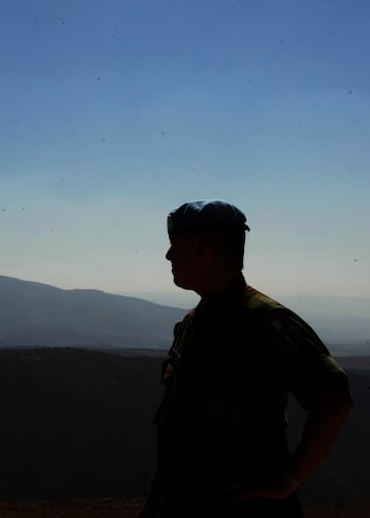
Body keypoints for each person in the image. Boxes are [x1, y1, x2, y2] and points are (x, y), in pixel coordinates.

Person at [138, 200, 353, 518]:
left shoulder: (264, 320)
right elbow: (178, 423)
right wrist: (153, 504)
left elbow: (335, 397)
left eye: (175, 246)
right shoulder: (192, 323)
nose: (168, 256)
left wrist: (291, 480)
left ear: (202, 248)